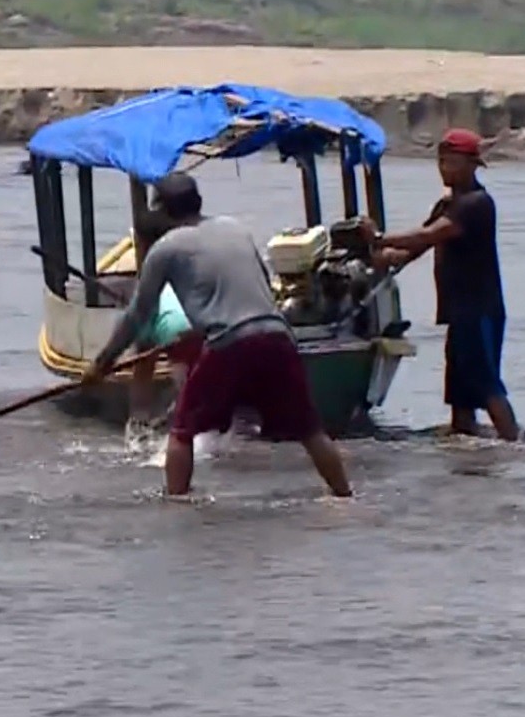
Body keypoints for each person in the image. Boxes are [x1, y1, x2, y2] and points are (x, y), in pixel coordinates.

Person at [80, 172, 352, 498]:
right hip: (278, 336)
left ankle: (176, 502)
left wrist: (101, 363)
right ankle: (344, 497)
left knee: (181, 431)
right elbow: (261, 288)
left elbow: (138, 314)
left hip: (230, 343)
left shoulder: (165, 248)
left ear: (162, 211)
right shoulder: (235, 229)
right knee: (310, 430)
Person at [365, 128, 521, 440]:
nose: (444, 168)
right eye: (441, 162)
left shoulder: (477, 204)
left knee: (486, 382)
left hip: (480, 310)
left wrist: (379, 238)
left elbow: (430, 235)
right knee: (460, 391)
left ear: (472, 164)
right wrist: (384, 257)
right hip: (458, 311)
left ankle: (514, 447)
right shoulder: (446, 205)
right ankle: (464, 456)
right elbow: (416, 248)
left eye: (451, 162)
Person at [120, 207, 201, 435]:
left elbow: (143, 367)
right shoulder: (197, 269)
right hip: (215, 328)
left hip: (182, 338)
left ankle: (145, 428)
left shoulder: (149, 290)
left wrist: (138, 418)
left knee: (186, 411)